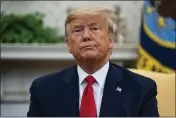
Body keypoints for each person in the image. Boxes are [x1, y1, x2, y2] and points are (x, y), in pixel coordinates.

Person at [27, 5, 159, 117]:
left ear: (111, 41)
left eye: (94, 29)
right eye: (78, 30)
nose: (86, 36)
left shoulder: (141, 89)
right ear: (68, 45)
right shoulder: (43, 89)